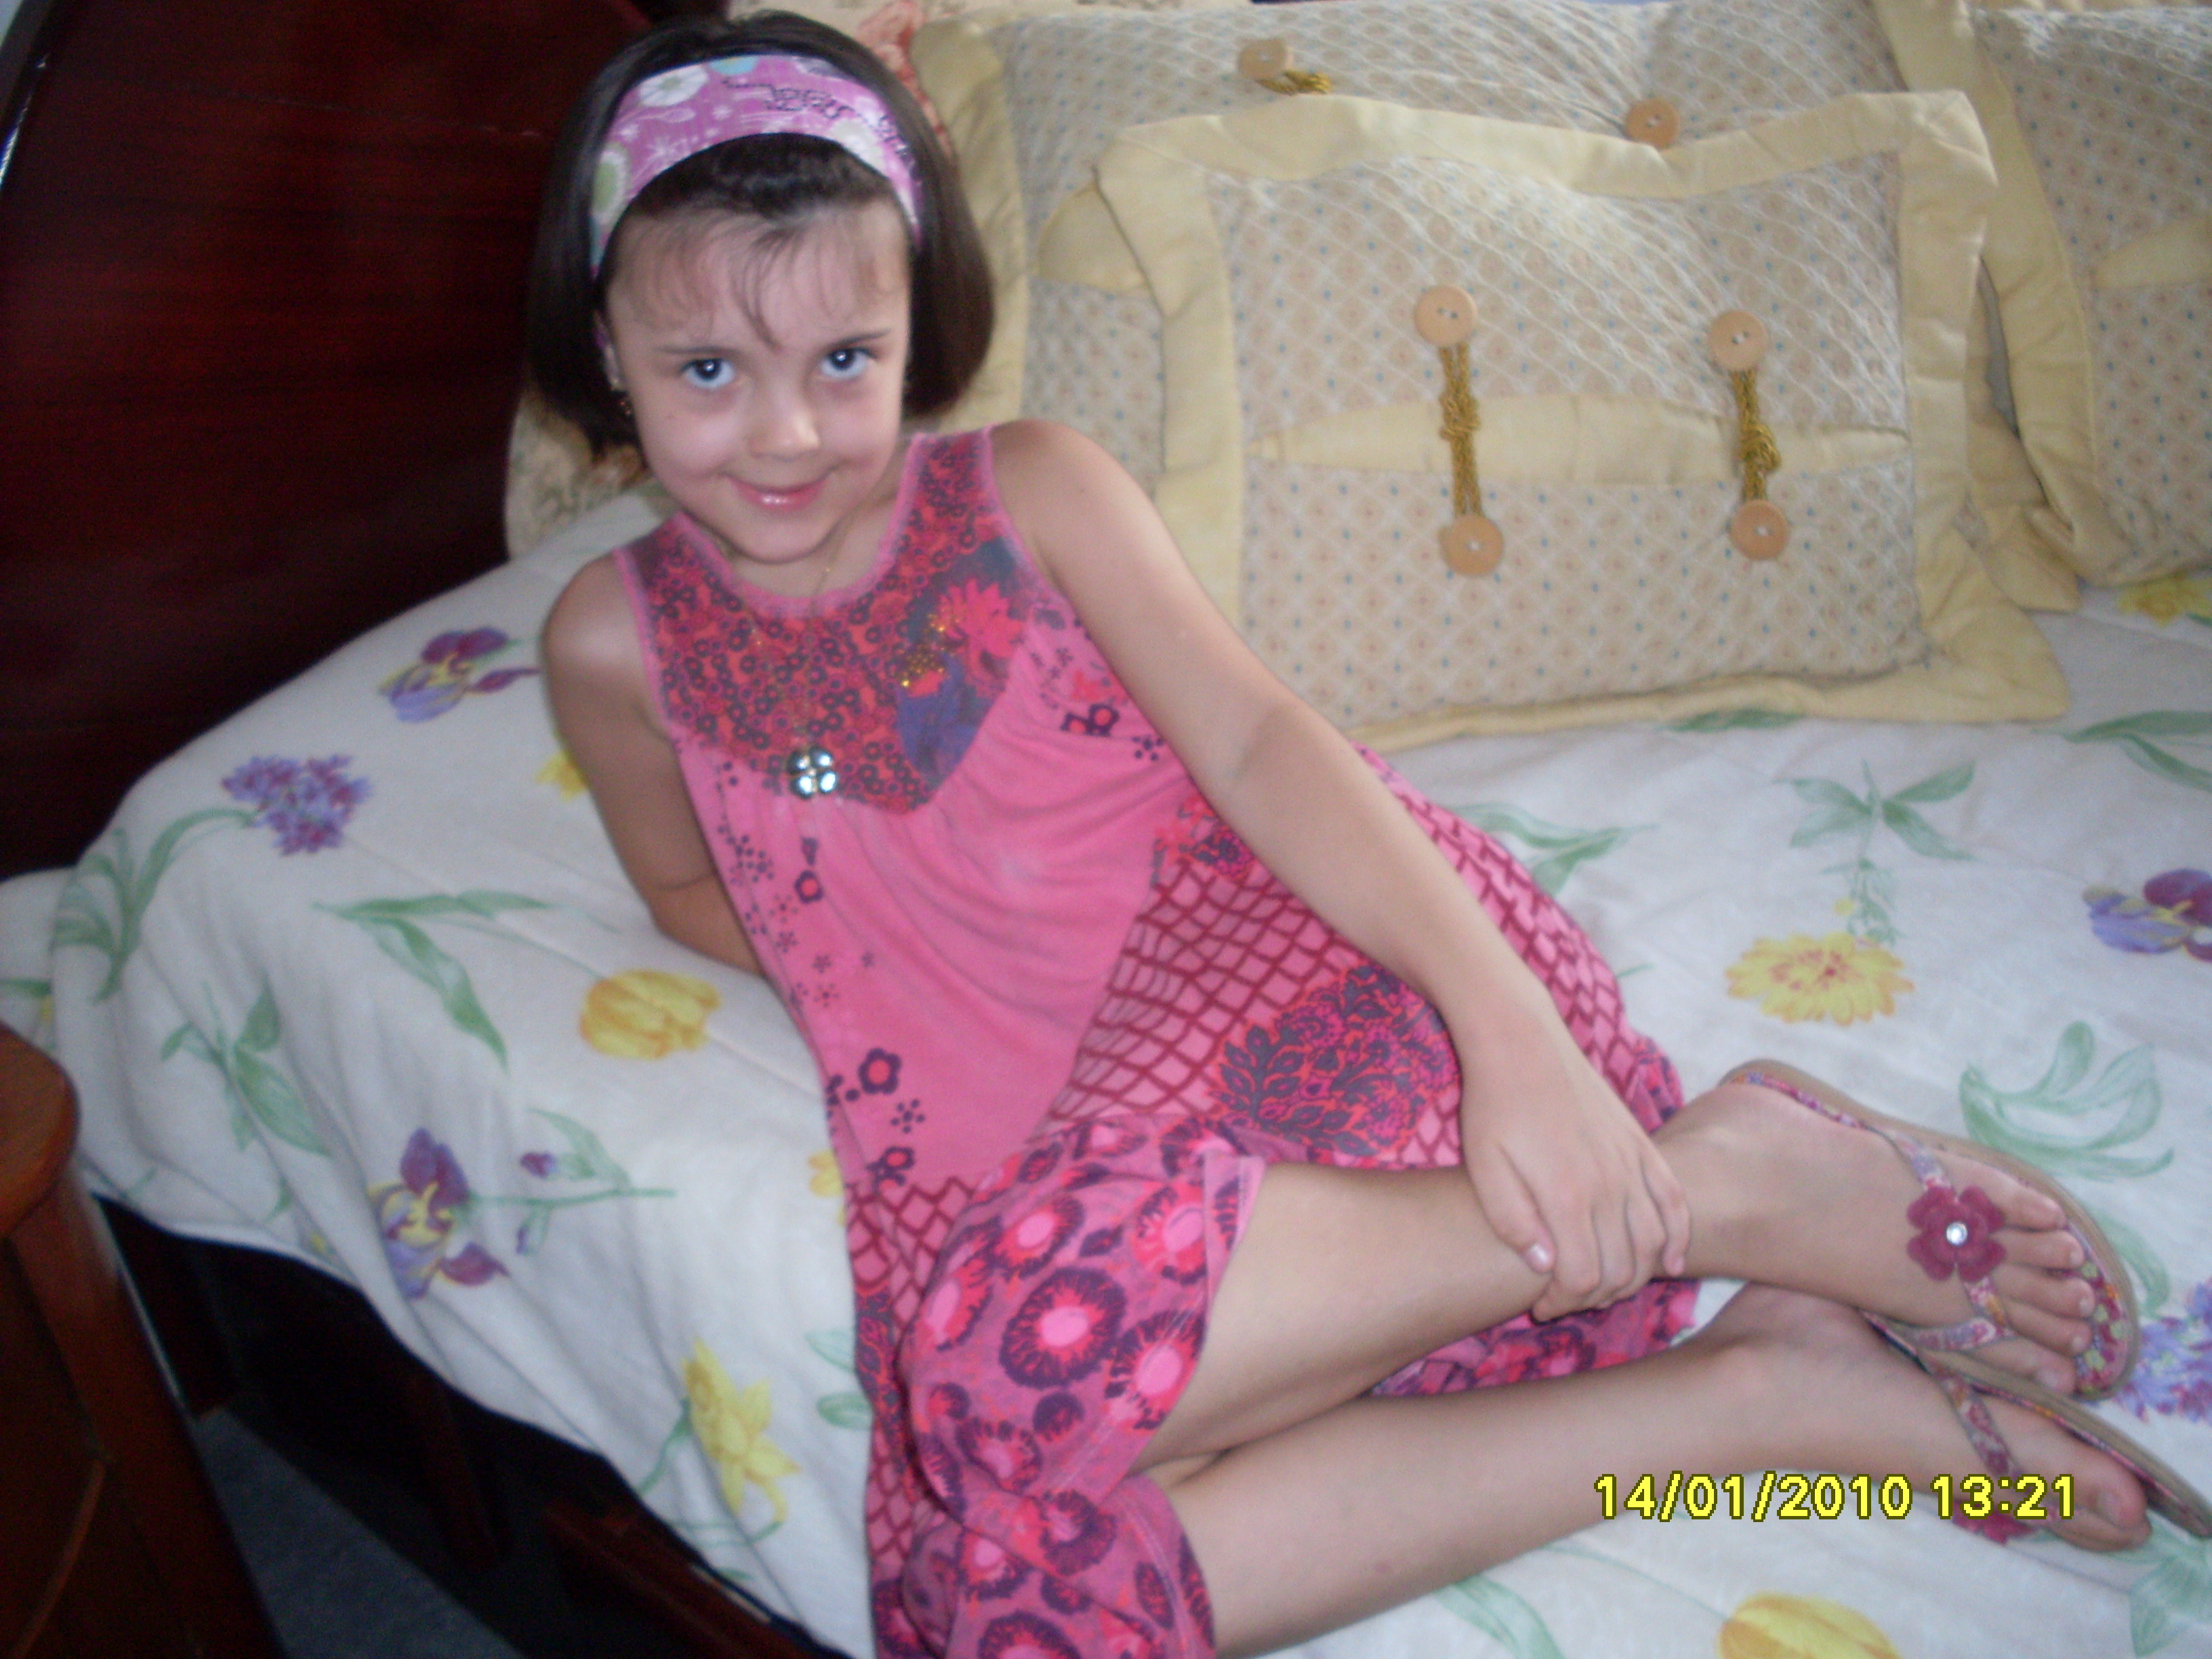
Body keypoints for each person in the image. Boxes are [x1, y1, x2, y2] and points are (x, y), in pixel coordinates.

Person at [529, 15, 2205, 1658]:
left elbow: (1265, 741)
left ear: (917, 320)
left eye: (845, 359)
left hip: (1285, 978)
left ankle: (1725, 1187)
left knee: (1001, 1385)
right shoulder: (615, 647)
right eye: (707, 370)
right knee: (1002, 1604)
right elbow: (685, 879)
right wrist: (885, 938)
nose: (787, 434)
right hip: (1054, 1180)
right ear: (609, 350)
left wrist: (1512, 1038)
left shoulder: (1027, 491)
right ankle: (1755, 1396)